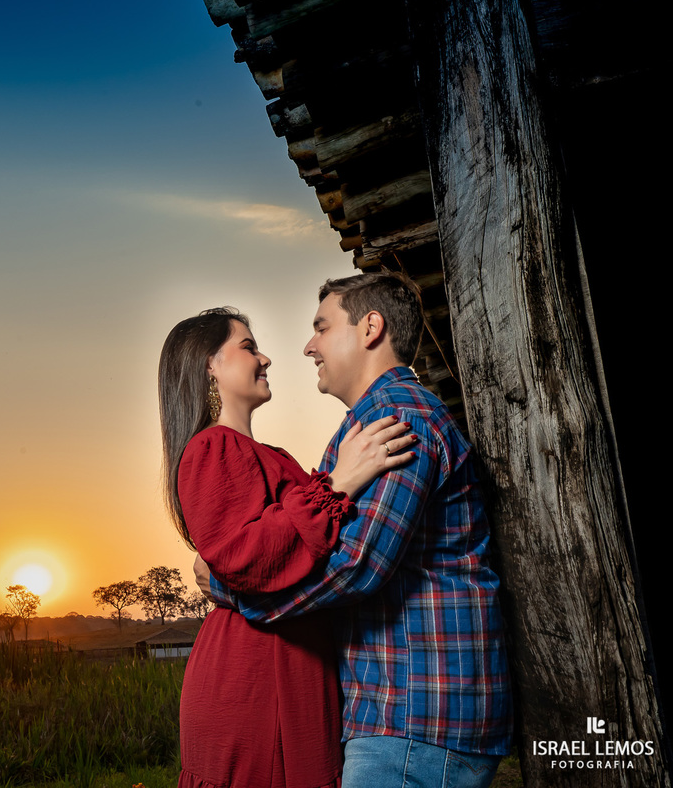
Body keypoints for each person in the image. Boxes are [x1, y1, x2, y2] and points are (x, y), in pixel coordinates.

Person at [197, 273, 513, 787]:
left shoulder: (396, 419)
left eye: (321, 327)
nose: (307, 346)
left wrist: (231, 588)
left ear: (370, 328)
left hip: (418, 716)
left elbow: (353, 566)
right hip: (399, 713)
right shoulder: (363, 430)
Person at [159, 307, 416, 788]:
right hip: (256, 671)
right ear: (209, 365)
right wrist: (337, 484)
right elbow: (245, 558)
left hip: (295, 660)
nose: (267, 358)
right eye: (249, 347)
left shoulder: (271, 456)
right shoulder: (212, 448)